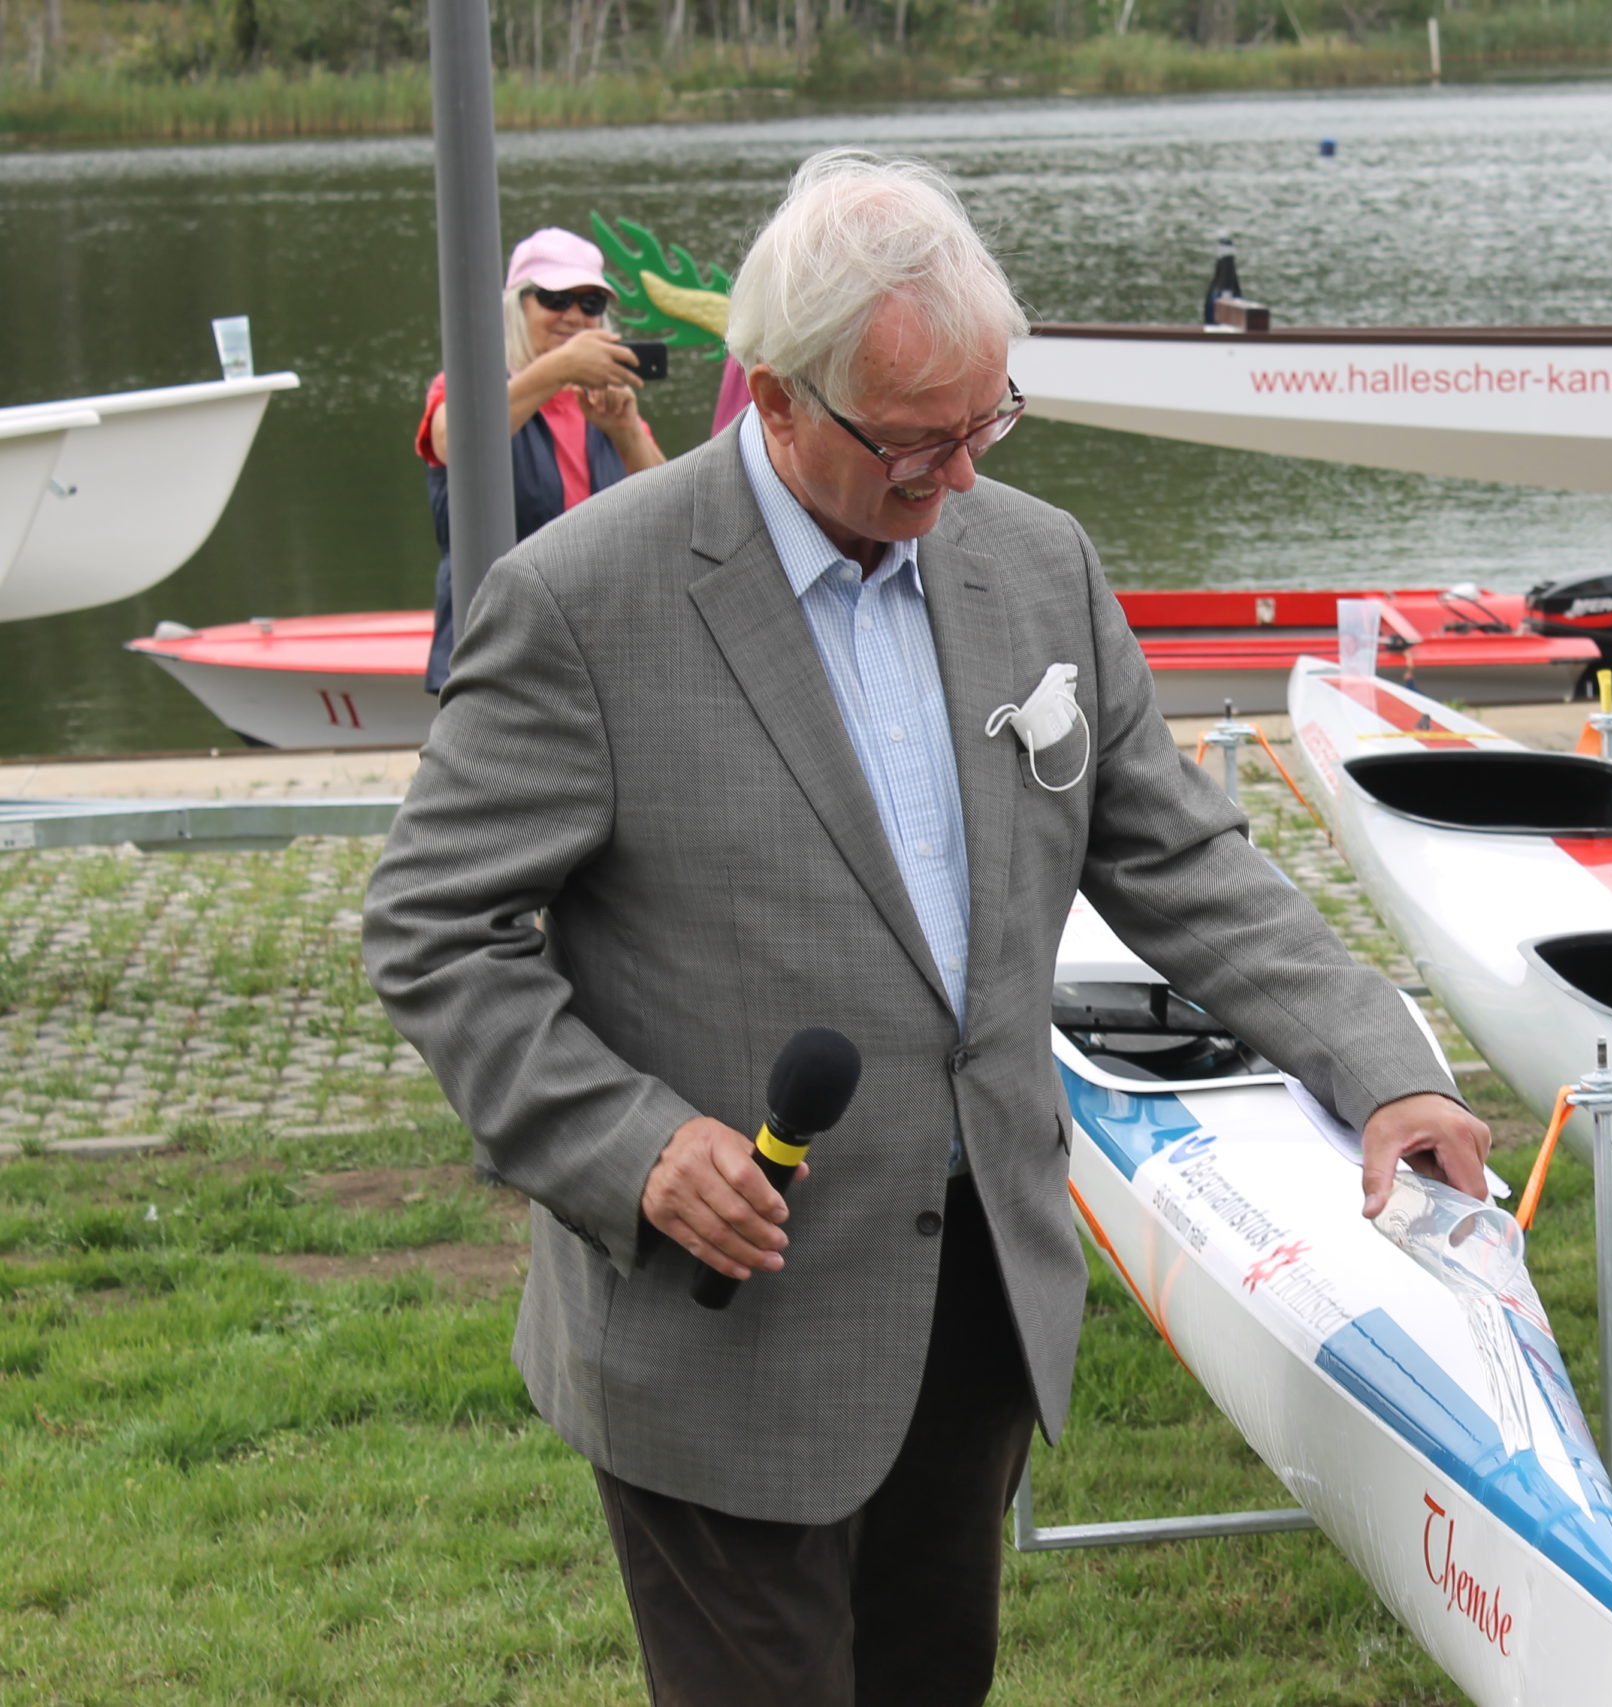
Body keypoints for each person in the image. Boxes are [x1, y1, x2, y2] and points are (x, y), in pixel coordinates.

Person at [363, 151, 1489, 1707]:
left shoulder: (1037, 561)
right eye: (913, 442)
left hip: (973, 1304)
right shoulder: (582, 598)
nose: (956, 479)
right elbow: (435, 927)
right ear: (776, 396)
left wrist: (1384, 1064)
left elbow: (1178, 856)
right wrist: (634, 1146)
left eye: (985, 425)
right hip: (722, 1325)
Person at [415, 226, 665, 691]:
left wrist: (626, 431)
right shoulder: (466, 386)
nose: (574, 316)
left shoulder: (602, 400)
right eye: (555, 299)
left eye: (590, 304)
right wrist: (557, 369)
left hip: (601, 643)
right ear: (517, 306)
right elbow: (453, 444)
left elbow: (672, 513)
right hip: (495, 639)